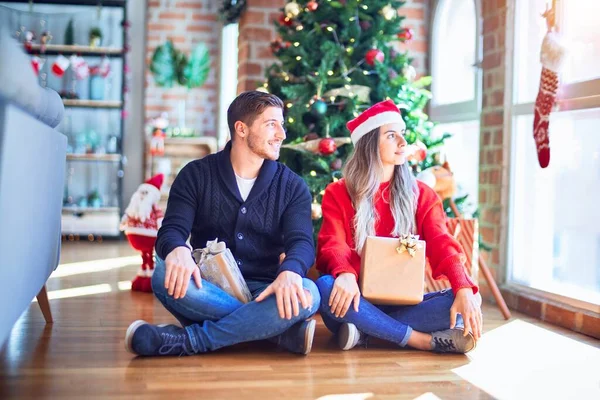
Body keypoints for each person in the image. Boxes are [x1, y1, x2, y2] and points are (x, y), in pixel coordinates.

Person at [125, 91, 320, 357]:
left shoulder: (292, 186)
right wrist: (177, 249)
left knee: (309, 291)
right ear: (241, 128)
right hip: (210, 287)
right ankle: (276, 332)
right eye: (271, 124)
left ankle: (191, 340)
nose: (282, 134)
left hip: (267, 287)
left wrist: (291, 271)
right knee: (162, 274)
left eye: (281, 124)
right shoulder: (195, 175)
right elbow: (172, 230)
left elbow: (302, 242)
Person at [315, 100, 483, 354]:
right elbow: (332, 242)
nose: (403, 143)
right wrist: (345, 273)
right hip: (356, 298)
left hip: (402, 303)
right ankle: (419, 339)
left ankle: (365, 332)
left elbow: (441, 241)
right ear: (370, 144)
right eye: (392, 136)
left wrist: (462, 286)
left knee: (471, 297)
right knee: (326, 286)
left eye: (402, 135)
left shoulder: (422, 194)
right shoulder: (338, 192)